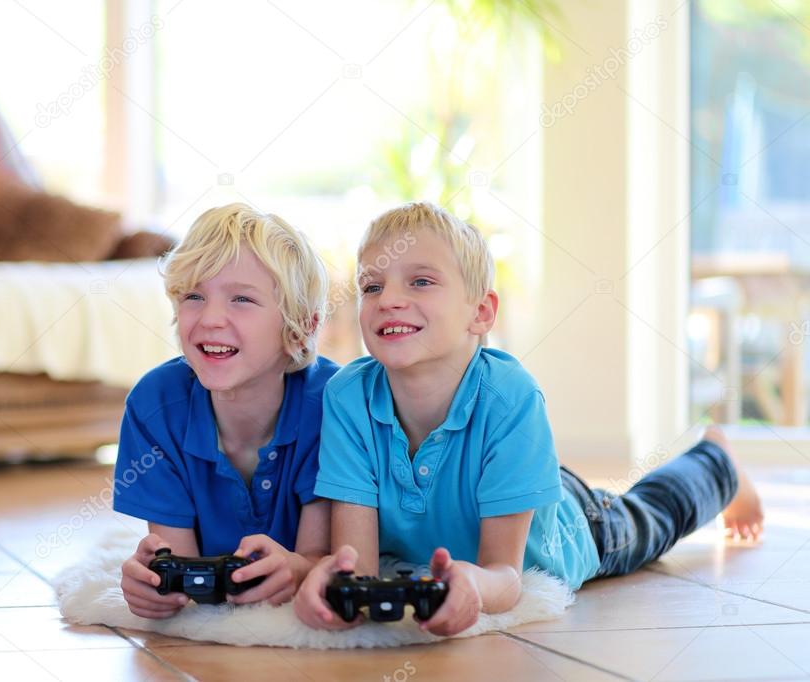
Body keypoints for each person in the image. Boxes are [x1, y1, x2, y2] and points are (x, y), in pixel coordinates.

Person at [294, 201, 763, 636]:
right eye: (372, 286)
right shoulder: (347, 395)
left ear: (480, 313)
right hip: (503, 482)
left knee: (648, 519)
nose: (388, 299)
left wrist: (476, 587)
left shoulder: (510, 395)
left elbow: (507, 577)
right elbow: (355, 564)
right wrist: (339, 588)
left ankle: (717, 461)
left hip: (567, 527)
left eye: (420, 281)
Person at [115, 203, 340, 618]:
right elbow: (181, 570)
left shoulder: (333, 405)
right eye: (194, 296)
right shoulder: (155, 406)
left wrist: (301, 569)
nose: (211, 318)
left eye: (241, 299)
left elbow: (320, 557)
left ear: (300, 329)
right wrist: (156, 585)